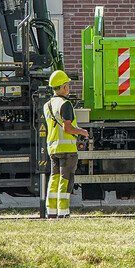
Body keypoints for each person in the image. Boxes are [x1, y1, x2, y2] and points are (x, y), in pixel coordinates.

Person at [43, 70, 88, 218]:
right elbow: (67, 128)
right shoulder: (65, 104)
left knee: (54, 179)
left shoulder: (47, 105)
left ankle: (51, 212)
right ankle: (63, 213)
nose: (68, 88)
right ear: (63, 87)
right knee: (65, 180)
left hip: (53, 148)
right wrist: (82, 132)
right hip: (67, 148)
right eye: (67, 85)